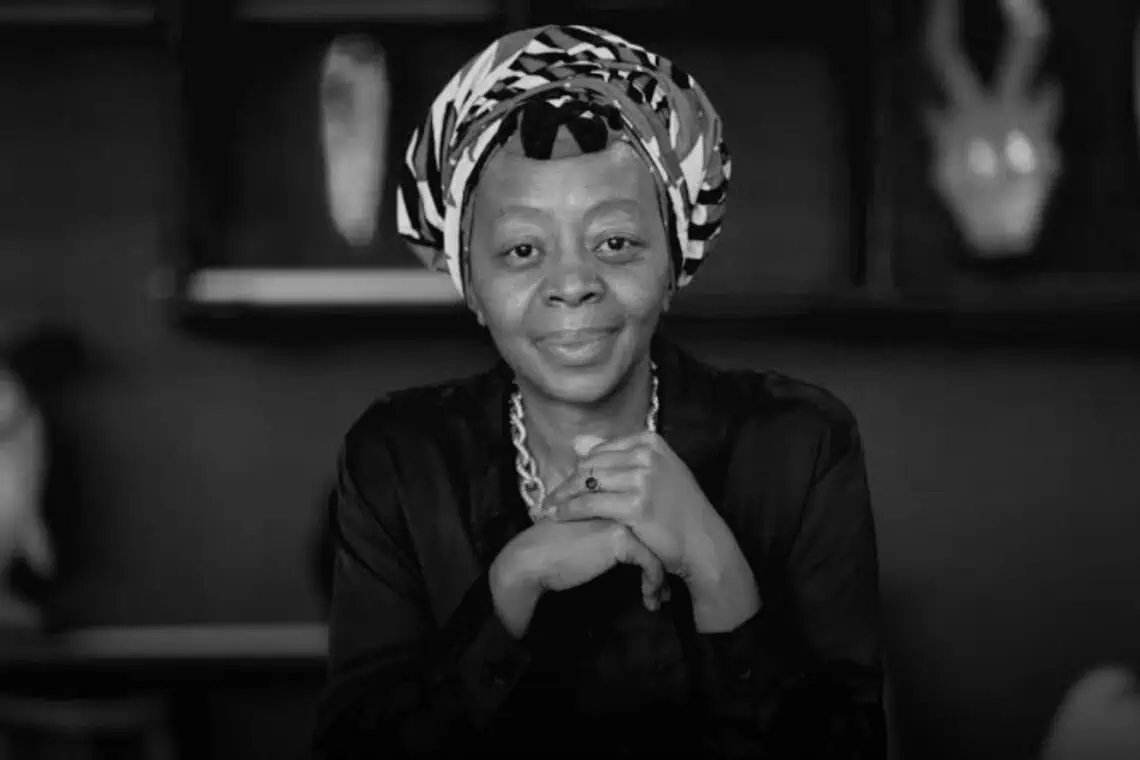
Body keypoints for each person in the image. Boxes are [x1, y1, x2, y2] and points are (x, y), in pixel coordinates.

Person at [313, 24, 885, 758]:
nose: (573, 284)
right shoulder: (397, 458)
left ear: (674, 262)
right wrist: (511, 585)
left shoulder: (801, 445)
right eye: (522, 250)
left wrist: (715, 565)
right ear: (471, 285)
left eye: (615, 243)